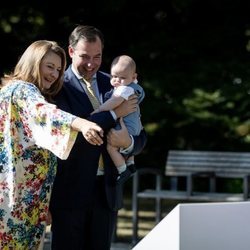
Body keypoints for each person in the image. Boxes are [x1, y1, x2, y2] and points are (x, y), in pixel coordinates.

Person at [49, 25, 147, 250]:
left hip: (106, 192)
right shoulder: (57, 86)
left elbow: (140, 133)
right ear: (71, 52)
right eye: (85, 56)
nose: (92, 64)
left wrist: (129, 143)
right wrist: (114, 114)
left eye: (98, 56)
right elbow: (71, 136)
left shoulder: (115, 82)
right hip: (70, 193)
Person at [0, 40, 103, 250]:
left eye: (58, 69)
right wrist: (81, 123)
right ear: (33, 62)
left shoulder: (9, 91)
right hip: (17, 199)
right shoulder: (23, 90)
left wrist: (43, 203)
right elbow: (44, 112)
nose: (55, 74)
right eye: (49, 66)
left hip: (24, 197)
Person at [92, 54, 145, 184]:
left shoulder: (124, 89)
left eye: (122, 78)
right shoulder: (134, 87)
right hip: (137, 126)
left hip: (127, 126)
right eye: (114, 76)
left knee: (111, 147)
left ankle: (123, 170)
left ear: (133, 77)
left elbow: (114, 102)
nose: (117, 80)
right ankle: (131, 163)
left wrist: (98, 110)